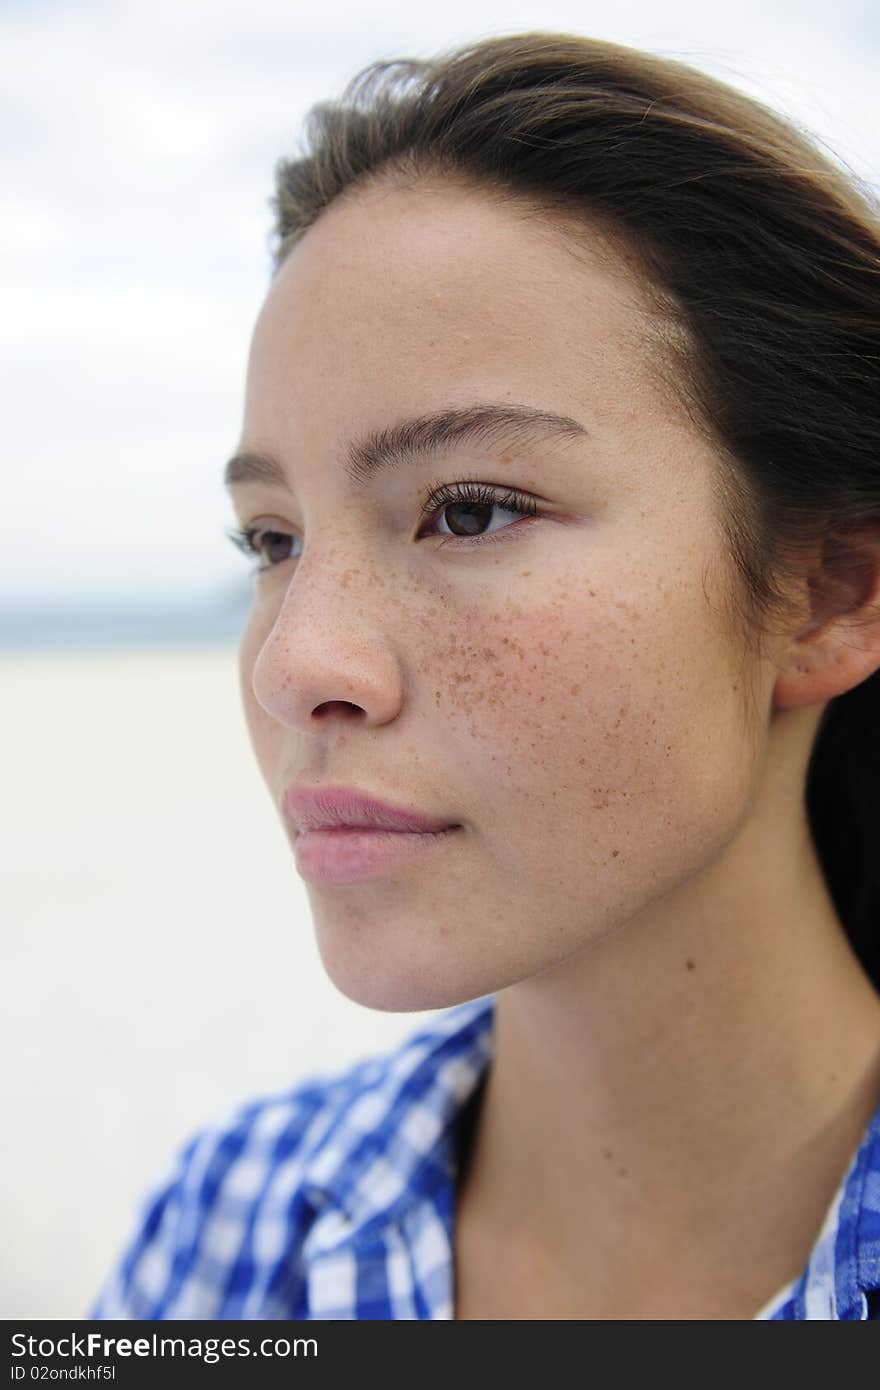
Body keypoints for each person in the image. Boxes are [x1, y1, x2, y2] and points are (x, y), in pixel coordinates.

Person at [90, 30, 880, 1320]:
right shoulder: (227, 1242)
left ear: (832, 591)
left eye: (466, 511)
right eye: (273, 540)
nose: (299, 667)